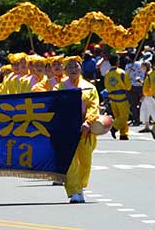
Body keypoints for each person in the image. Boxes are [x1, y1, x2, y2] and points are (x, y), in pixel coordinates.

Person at [55, 56, 100, 203]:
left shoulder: (89, 87)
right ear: (65, 70)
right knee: (70, 162)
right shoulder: (59, 87)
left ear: (81, 68)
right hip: (66, 129)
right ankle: (74, 191)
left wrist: (88, 121)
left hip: (85, 129)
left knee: (85, 162)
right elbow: (55, 107)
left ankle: (80, 187)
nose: (73, 69)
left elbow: (94, 106)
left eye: (76, 66)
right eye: (70, 67)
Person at [104, 54, 132, 140]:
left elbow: (106, 85)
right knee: (124, 116)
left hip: (112, 97)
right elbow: (128, 86)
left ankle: (123, 134)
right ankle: (114, 127)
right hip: (121, 96)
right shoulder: (122, 72)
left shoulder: (107, 73)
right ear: (117, 62)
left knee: (118, 116)